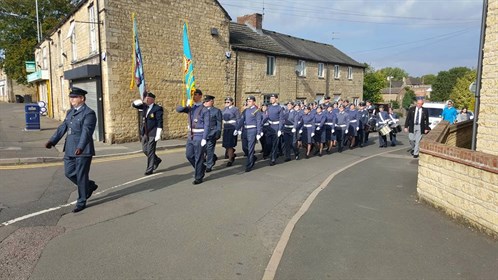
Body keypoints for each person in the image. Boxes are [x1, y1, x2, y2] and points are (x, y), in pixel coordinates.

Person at [45, 87, 97, 213]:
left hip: (82, 150)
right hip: (69, 149)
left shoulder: (89, 113)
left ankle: (81, 201)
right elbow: (63, 127)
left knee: (81, 175)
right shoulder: (70, 112)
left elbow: (86, 132)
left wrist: (80, 147)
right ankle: (89, 186)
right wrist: (52, 141)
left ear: (82, 98)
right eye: (70, 97)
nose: (71, 99)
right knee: (69, 173)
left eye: (74, 97)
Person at [176, 89, 210, 184]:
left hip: (199, 135)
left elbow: (207, 125)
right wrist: (184, 105)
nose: (193, 96)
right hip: (191, 136)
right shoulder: (190, 107)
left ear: (200, 96)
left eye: (195, 94)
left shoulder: (204, 109)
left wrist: (204, 138)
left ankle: (198, 177)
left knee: (199, 157)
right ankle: (201, 168)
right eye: (192, 95)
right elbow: (178, 110)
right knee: (189, 155)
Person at [132, 92, 164, 175]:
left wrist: (158, 133)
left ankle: (149, 169)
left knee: (150, 150)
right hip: (145, 132)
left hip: (153, 132)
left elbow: (160, 121)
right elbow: (134, 105)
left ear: (152, 100)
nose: (145, 99)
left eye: (147, 98)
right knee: (145, 149)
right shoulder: (144, 107)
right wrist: (139, 101)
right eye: (145, 98)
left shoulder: (157, 108)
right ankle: (156, 160)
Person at [237, 96, 262, 172]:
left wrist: (258, 132)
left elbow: (258, 122)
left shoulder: (257, 111)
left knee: (250, 148)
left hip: (252, 130)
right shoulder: (245, 111)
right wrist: (237, 128)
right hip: (245, 130)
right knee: (244, 147)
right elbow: (241, 120)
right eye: (248, 101)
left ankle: (249, 165)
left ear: (254, 102)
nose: (248, 102)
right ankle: (252, 158)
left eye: (250, 101)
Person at [264, 94, 284, 166]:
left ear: (276, 99)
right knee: (268, 143)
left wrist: (279, 129)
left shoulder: (279, 108)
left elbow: (281, 119)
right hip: (270, 127)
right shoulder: (269, 107)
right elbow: (266, 117)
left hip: (276, 127)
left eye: (272, 98)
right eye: (270, 98)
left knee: (274, 144)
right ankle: (273, 154)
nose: (271, 99)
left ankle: (273, 159)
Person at [203, 95, 222, 172]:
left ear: (212, 101)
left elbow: (219, 123)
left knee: (210, 149)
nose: (205, 103)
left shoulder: (216, 111)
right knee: (203, 149)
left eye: (207, 101)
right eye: (205, 101)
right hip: (203, 133)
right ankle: (213, 157)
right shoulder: (202, 110)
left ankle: (209, 165)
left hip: (212, 132)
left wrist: (218, 132)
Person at [221, 97, 240, 167]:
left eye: (228, 102)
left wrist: (238, 129)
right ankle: (232, 153)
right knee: (225, 144)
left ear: (232, 102)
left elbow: (238, 119)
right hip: (226, 127)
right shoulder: (224, 109)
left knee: (230, 144)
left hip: (232, 127)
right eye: (225, 102)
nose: (226, 103)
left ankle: (230, 159)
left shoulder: (235, 109)